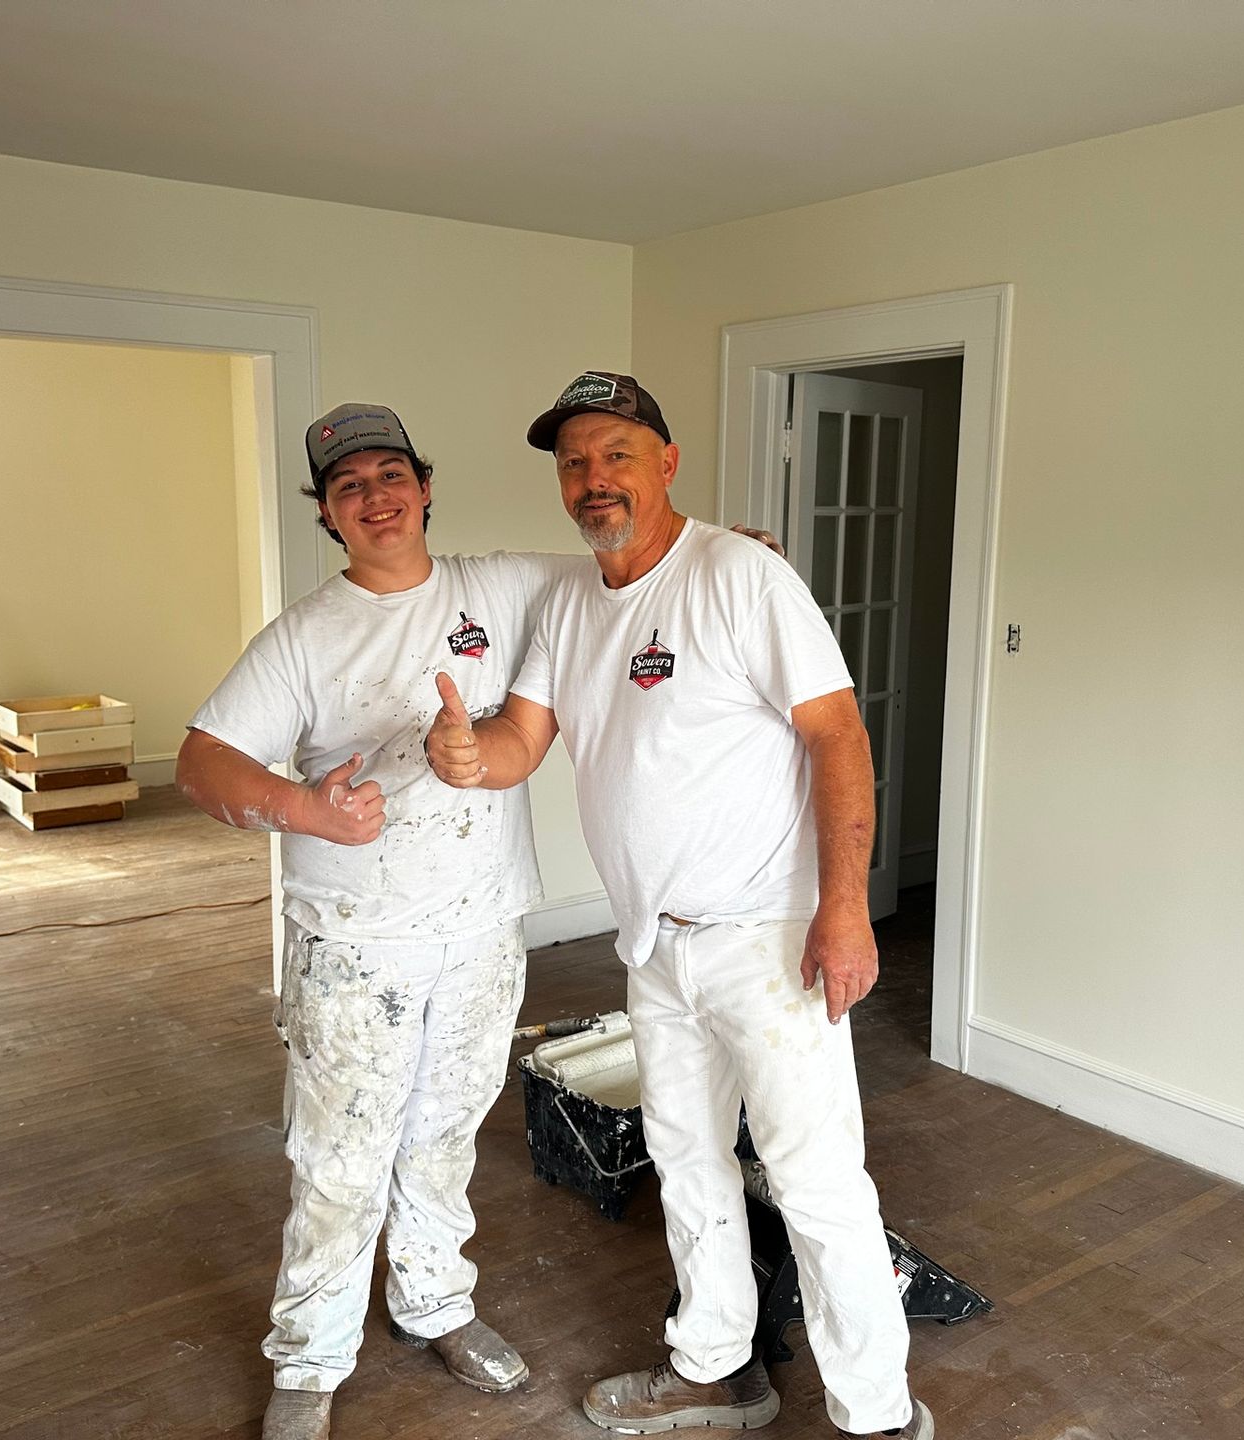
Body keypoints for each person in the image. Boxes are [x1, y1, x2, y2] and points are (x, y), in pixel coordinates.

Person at [179, 399, 784, 1440]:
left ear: (424, 488)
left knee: (444, 1135)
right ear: (327, 513)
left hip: (481, 929)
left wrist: (732, 559)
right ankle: (310, 1359)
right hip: (356, 944)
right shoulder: (304, 638)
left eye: (390, 476)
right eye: (348, 486)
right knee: (340, 1161)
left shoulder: (502, 585)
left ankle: (434, 1304)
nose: (374, 497)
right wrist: (303, 808)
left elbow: (630, 560)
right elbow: (202, 763)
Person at [426, 372, 932, 1438]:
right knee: (688, 1164)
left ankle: (878, 1415)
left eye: (616, 453)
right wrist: (468, 756)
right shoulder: (573, 604)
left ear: (666, 462)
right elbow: (522, 739)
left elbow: (838, 733)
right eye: (574, 462)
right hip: (656, 945)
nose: (593, 478)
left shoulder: (738, 574)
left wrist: (845, 909)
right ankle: (715, 1369)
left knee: (814, 1179)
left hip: (771, 936)